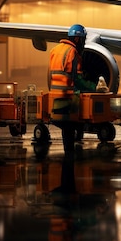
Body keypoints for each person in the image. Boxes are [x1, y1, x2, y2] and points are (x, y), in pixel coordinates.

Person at [48, 24, 96, 153]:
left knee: (65, 126)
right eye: (83, 40)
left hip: (55, 94)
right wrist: (94, 87)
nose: (83, 43)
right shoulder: (72, 52)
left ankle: (68, 151)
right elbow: (77, 79)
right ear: (77, 39)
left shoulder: (55, 50)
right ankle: (70, 156)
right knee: (72, 124)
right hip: (68, 96)